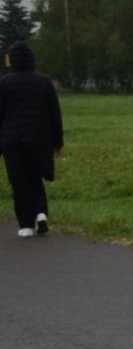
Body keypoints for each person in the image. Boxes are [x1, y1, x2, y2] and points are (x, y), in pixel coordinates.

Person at [0, 41, 63, 238]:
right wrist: (57, 141)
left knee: (19, 181)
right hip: (39, 138)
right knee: (36, 178)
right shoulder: (44, 82)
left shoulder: (3, 83)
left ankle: (25, 224)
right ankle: (41, 214)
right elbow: (55, 113)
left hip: (12, 140)